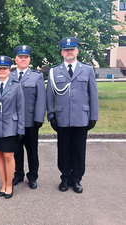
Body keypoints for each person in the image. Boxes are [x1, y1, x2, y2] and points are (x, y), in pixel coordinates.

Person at [46, 37, 99, 194]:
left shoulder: (87, 70)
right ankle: (65, 178)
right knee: (63, 150)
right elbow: (50, 95)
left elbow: (93, 95)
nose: (69, 52)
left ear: (77, 51)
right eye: (66, 50)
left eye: (72, 49)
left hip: (81, 118)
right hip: (62, 118)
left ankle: (76, 179)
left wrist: (93, 116)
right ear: (62, 52)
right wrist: (51, 115)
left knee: (79, 150)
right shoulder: (55, 71)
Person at [0, 56, 25, 199]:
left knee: (8, 155)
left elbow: (21, 109)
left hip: (11, 127)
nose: (2, 71)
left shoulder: (16, 86)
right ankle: (3, 183)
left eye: (5, 68)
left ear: (9, 70)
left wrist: (21, 129)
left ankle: (9, 185)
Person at [10, 45, 46, 189]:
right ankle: (18, 174)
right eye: (20, 57)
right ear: (16, 59)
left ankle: (32, 176)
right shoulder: (10, 75)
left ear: (29, 59)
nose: (23, 59)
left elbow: (41, 99)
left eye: (25, 57)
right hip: (14, 121)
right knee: (16, 150)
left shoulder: (37, 76)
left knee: (32, 151)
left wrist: (39, 118)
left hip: (31, 121)